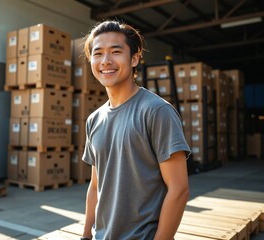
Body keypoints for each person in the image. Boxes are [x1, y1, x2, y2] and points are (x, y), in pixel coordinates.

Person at [81, 20, 191, 240]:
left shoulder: (157, 111)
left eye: (115, 51)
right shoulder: (94, 120)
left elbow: (178, 190)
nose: (106, 61)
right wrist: (85, 236)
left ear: (134, 58)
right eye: (98, 53)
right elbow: (95, 186)